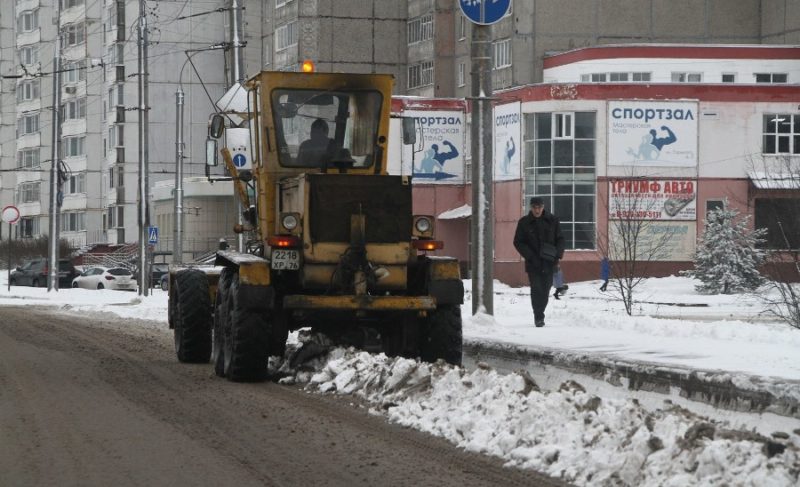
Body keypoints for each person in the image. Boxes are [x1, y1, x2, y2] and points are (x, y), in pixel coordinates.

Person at [513, 197, 565, 327]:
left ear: (543, 207)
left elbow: (560, 239)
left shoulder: (552, 220)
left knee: (546, 289)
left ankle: (539, 312)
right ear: (531, 207)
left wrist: (557, 255)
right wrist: (530, 256)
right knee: (536, 289)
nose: (537, 210)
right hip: (533, 263)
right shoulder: (524, 222)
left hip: (549, 261)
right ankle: (538, 316)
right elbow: (518, 242)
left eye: (539, 207)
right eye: (534, 207)